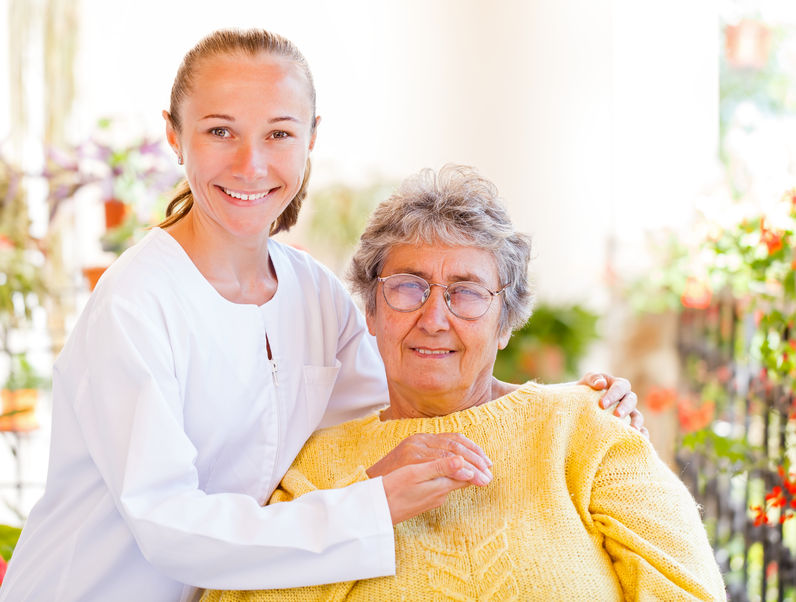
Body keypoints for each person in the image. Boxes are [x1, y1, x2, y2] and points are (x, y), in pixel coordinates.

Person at [0, 30, 642, 602]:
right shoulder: (135, 304)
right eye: (220, 130)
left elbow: (394, 416)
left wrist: (564, 407)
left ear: (311, 138)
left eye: (279, 133)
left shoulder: (315, 293)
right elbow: (169, 529)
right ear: (174, 135)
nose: (252, 164)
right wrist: (370, 505)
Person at [202, 165, 725, 601]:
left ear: (505, 323)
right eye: (408, 287)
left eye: (467, 292)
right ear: (372, 311)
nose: (434, 318)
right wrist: (363, 503)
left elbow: (687, 590)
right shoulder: (314, 467)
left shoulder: (588, 429)